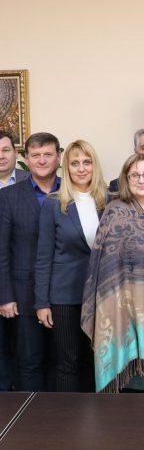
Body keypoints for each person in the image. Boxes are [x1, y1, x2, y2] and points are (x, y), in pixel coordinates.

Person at [81, 153, 144, 393]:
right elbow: (107, 267)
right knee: (134, 386)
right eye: (135, 175)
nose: (142, 180)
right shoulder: (117, 212)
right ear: (126, 179)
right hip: (126, 310)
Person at [34, 140, 107, 392]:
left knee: (96, 361)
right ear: (66, 168)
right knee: (68, 362)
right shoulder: (53, 204)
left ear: (94, 165)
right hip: (65, 296)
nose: (81, 168)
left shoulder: (108, 201)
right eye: (75, 163)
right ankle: (70, 416)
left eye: (87, 162)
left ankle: (96, 414)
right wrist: (42, 303)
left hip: (100, 294)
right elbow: (43, 257)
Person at [0, 132, 61, 391]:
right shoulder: (8, 196)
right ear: (26, 158)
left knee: (63, 361)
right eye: (36, 155)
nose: (42, 160)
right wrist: (5, 296)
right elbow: (2, 251)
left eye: (48, 154)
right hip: (23, 295)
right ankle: (33, 415)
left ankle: (62, 413)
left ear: (58, 157)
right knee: (29, 362)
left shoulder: (72, 190)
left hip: (64, 292)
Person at [0, 130, 30, 391]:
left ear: (16, 153)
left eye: (5, 150)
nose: (1, 156)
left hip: (20, 277)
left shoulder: (30, 181)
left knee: (24, 347)